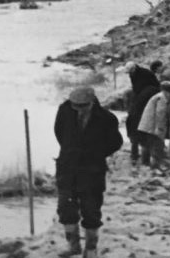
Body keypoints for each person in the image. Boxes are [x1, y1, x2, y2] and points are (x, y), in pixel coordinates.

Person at [54, 87, 123, 258]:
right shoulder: (65, 110)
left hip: (92, 172)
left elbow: (115, 142)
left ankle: (91, 249)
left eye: (82, 106)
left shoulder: (106, 118)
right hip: (68, 169)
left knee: (91, 210)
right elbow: (59, 132)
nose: (77, 109)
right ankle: (73, 245)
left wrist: (95, 154)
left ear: (92, 102)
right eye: (75, 105)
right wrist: (71, 151)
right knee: (66, 209)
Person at [137, 81, 170, 170]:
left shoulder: (158, 96)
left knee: (147, 145)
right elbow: (160, 114)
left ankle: (145, 166)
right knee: (157, 147)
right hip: (153, 126)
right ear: (168, 91)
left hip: (146, 125)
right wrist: (160, 129)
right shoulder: (162, 99)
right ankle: (155, 167)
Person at [124, 62, 160, 164]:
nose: (129, 75)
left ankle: (142, 160)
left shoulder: (146, 75)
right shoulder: (134, 76)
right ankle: (137, 156)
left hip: (142, 112)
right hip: (138, 116)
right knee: (140, 138)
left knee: (142, 138)